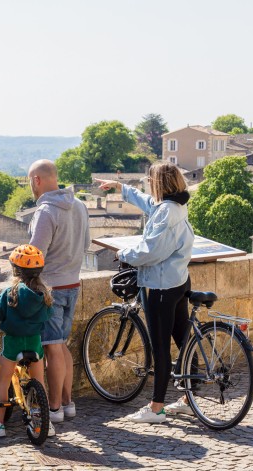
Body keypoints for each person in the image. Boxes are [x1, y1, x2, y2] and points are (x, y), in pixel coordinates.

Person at [93, 162, 195, 423]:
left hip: (162, 286)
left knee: (160, 347)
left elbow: (150, 251)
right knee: (184, 340)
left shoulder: (166, 213)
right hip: (179, 281)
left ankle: (156, 407)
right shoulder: (176, 206)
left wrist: (122, 254)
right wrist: (121, 188)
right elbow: (150, 203)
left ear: (159, 183)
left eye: (151, 181)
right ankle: (188, 398)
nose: (149, 185)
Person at [27, 159, 90, 424]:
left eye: (30, 181)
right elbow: (86, 244)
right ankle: (67, 402)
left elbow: (34, 255)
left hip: (50, 287)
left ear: (37, 180)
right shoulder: (80, 206)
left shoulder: (46, 212)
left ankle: (53, 408)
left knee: (52, 348)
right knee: (61, 344)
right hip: (73, 283)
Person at [0, 244, 54, 438]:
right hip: (35, 342)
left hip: (13, 343)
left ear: (15, 270)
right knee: (39, 383)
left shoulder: (10, 293)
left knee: (3, 383)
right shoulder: (44, 295)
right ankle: (46, 423)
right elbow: (48, 315)